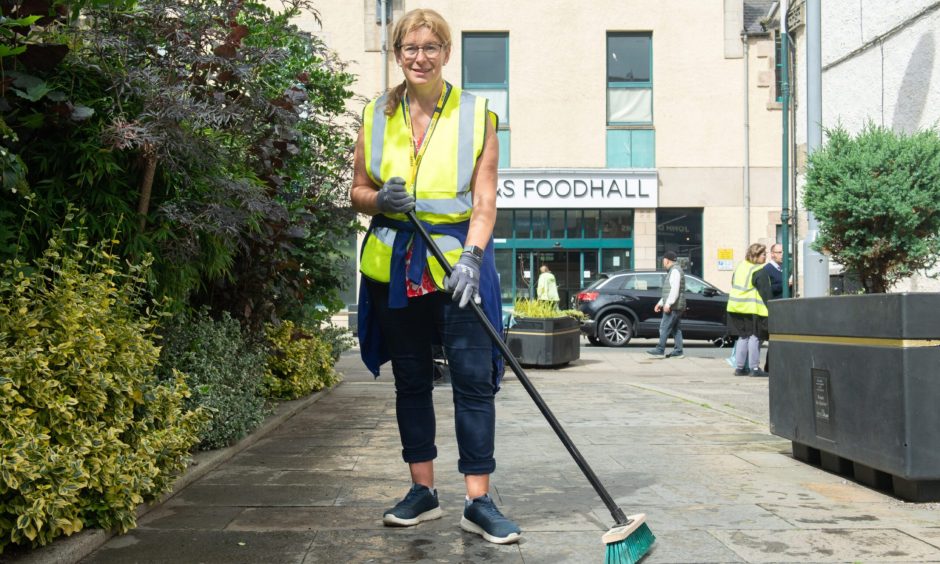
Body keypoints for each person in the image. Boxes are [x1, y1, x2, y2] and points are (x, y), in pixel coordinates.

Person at [349, 8, 521, 545]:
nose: (419, 57)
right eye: (409, 48)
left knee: (472, 381)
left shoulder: (477, 115)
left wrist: (473, 256)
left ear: (447, 52)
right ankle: (422, 491)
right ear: (396, 53)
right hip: (393, 266)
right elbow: (356, 190)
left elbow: (486, 199)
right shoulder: (376, 113)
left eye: (430, 47)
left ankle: (478, 500)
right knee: (412, 380)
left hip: (454, 267)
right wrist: (380, 198)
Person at [726, 243, 772, 376]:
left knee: (743, 336)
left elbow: (733, 282)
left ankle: (740, 368)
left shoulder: (741, 266)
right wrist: (772, 307)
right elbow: (765, 291)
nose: (765, 257)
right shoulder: (759, 270)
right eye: (764, 254)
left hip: (735, 306)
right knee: (754, 336)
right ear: (756, 256)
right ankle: (754, 368)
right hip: (750, 308)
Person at [646, 250, 685, 359]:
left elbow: (674, 290)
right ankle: (678, 351)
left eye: (663, 260)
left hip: (674, 306)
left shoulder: (675, 271)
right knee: (676, 329)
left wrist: (668, 304)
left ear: (667, 261)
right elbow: (669, 291)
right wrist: (660, 303)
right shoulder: (675, 270)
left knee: (664, 327)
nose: (663, 262)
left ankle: (660, 349)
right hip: (677, 305)